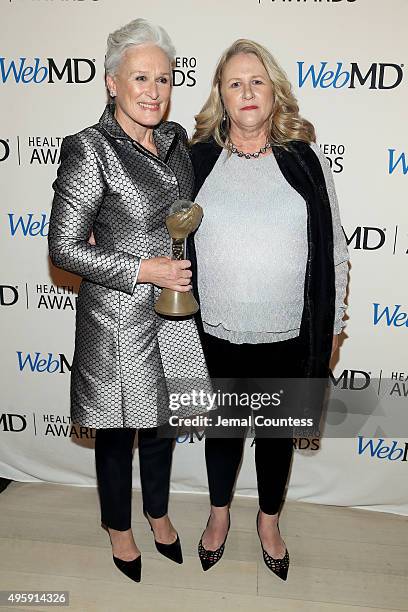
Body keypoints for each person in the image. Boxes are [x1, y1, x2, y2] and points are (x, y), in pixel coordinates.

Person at [48, 18, 209, 583]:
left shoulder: (176, 142)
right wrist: (143, 267)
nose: (153, 91)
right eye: (140, 77)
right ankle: (118, 527)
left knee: (163, 426)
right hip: (116, 318)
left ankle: (158, 513)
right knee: (117, 433)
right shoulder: (88, 149)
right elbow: (63, 248)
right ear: (112, 82)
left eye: (163, 79)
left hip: (172, 314)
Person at [188, 39, 349, 580]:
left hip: (290, 332)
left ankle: (269, 521)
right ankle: (217, 516)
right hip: (214, 332)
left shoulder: (303, 162)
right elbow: (156, 225)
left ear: (274, 90)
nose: (247, 91)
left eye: (256, 80)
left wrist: (333, 329)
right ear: (222, 97)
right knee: (224, 434)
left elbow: (335, 252)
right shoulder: (196, 160)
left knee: (277, 437)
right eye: (235, 83)